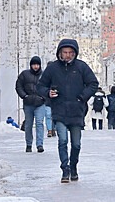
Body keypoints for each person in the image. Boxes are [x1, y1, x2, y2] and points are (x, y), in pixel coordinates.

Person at [37, 38, 99, 183]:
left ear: (75, 53)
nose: (68, 55)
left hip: (76, 111)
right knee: (62, 141)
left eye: (71, 52)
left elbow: (93, 83)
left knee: (76, 144)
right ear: (60, 52)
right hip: (59, 110)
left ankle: (74, 167)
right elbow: (40, 86)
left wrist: (82, 97)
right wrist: (48, 93)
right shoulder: (53, 68)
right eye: (65, 52)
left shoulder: (81, 67)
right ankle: (65, 169)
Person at [15, 56, 47, 153]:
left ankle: (39, 144)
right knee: (28, 124)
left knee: (39, 123)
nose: (36, 66)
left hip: (40, 103)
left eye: (37, 64)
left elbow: (50, 86)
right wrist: (24, 96)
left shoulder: (45, 75)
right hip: (28, 103)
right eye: (34, 64)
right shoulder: (24, 74)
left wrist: (44, 97)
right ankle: (28, 144)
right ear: (31, 65)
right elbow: (18, 86)